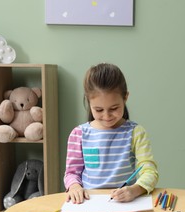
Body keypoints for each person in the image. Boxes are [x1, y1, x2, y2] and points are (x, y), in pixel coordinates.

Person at [64, 63, 159, 204]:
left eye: (114, 108)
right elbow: (72, 173)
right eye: (99, 110)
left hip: (126, 203)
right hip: (89, 204)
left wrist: (135, 190)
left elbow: (149, 171)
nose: (107, 116)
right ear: (88, 101)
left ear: (125, 97)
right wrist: (74, 186)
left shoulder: (135, 132)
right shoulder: (79, 134)